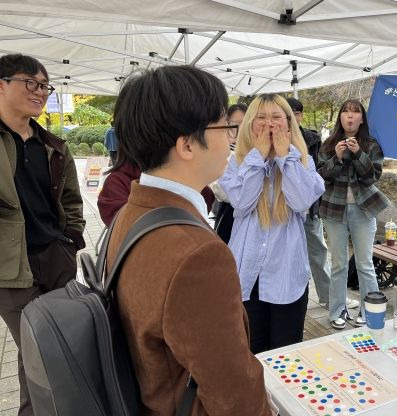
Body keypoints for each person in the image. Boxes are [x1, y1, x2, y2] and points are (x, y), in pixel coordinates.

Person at [105, 65, 272, 415]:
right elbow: (235, 395)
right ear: (186, 145)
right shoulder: (198, 254)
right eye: (225, 125)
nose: (231, 138)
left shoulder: (131, 213)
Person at [0, 53, 86, 416]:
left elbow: (71, 199)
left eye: (44, 86)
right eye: (29, 83)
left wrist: (71, 239)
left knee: (49, 346)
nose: (39, 92)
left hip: (56, 258)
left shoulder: (53, 145)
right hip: (11, 267)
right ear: (2, 85)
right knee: (40, 347)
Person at [219, 94, 324, 353]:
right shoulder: (237, 162)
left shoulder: (302, 161)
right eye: (261, 118)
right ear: (250, 124)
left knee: (286, 354)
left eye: (277, 117)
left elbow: (301, 202)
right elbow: (242, 202)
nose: (269, 124)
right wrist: (258, 157)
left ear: (289, 124)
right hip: (246, 277)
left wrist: (284, 157)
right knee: (250, 354)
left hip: (286, 275)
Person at [318, 99, 389, 330]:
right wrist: (336, 159)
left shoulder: (371, 145)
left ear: (361, 118)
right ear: (340, 117)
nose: (350, 116)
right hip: (333, 209)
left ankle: (370, 309)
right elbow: (321, 178)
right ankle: (337, 310)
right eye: (346, 112)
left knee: (365, 263)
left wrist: (358, 153)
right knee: (338, 263)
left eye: (355, 112)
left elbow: (372, 177)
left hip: (363, 209)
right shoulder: (328, 144)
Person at [285, 98, 361, 311]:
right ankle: (287, 300)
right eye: (286, 113)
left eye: (294, 113)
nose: (290, 117)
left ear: (300, 115)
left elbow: (321, 173)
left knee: (318, 250)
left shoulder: (313, 139)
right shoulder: (274, 139)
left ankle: (330, 296)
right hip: (282, 209)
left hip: (308, 206)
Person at [211, 103, 247, 243]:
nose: (239, 128)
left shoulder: (260, 153)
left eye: (245, 123)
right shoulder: (222, 152)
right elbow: (221, 190)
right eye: (234, 124)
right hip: (229, 216)